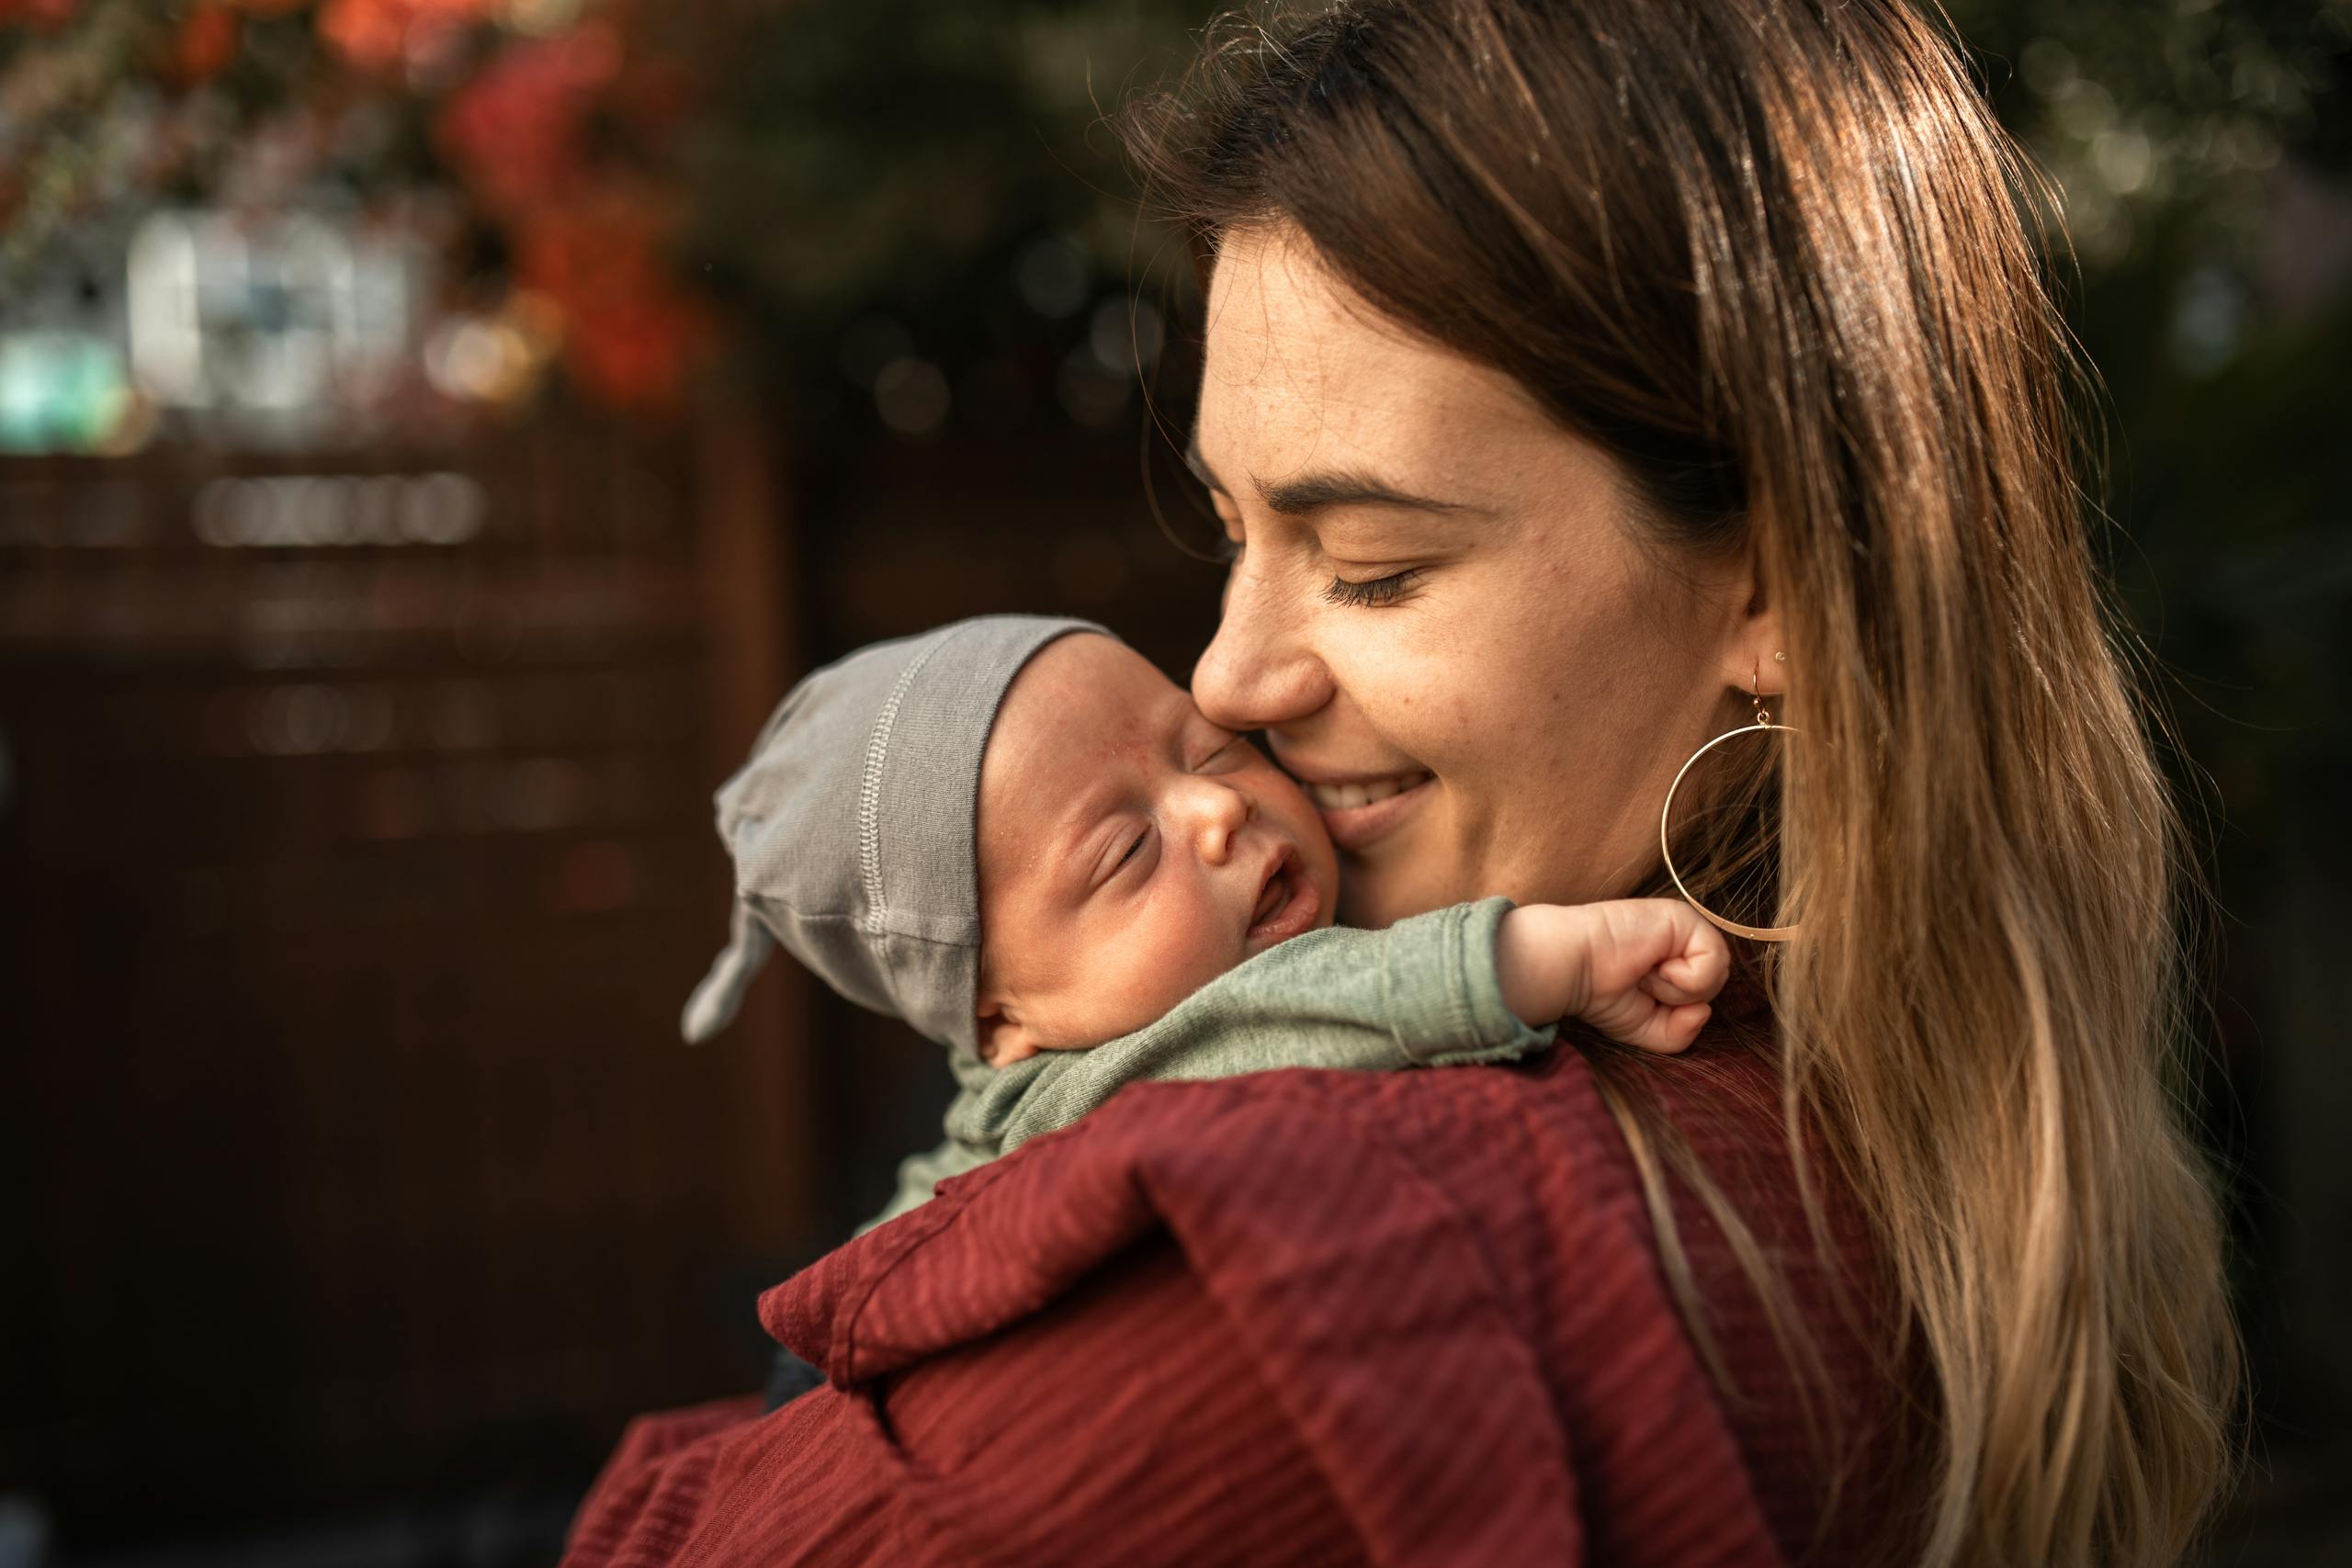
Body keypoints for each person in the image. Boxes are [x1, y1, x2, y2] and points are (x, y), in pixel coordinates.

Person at [561, 3, 2242, 1564]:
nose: (1226, 679)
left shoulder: (1317, 1282)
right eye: (1237, 531)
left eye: (1368, 563)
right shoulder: (1917, 1165)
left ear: (1777, 584)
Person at [673, 613, 1729, 1236]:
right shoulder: (1055, 1109)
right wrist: (1545, 958)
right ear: (1001, 1024)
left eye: (1209, 750)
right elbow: (1260, 1027)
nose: (1217, 810)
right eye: (1125, 852)